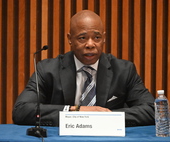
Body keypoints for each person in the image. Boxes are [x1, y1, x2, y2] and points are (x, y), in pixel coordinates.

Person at [12, 10, 155, 127]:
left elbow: (152, 110)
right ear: (70, 39)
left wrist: (107, 117)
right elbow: (21, 110)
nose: (90, 44)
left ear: (104, 38)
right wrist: (77, 111)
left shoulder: (123, 71)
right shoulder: (48, 70)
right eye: (82, 38)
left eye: (97, 37)